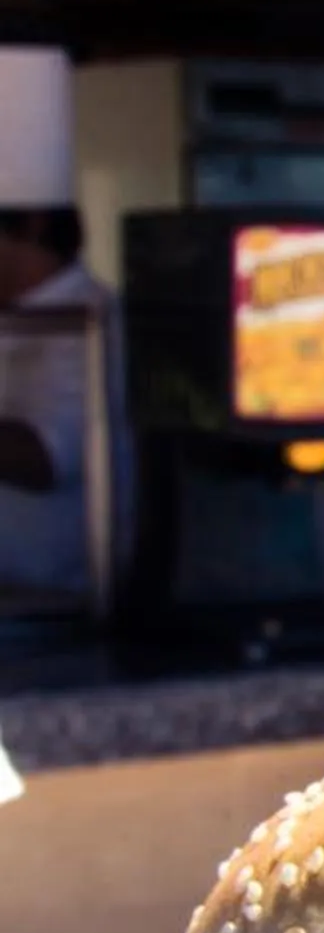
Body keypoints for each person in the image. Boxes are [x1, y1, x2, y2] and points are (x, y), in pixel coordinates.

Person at [0, 46, 127, 603]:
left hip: (66, 610)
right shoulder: (12, 321)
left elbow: (45, 458)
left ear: (29, 224)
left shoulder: (95, 325)